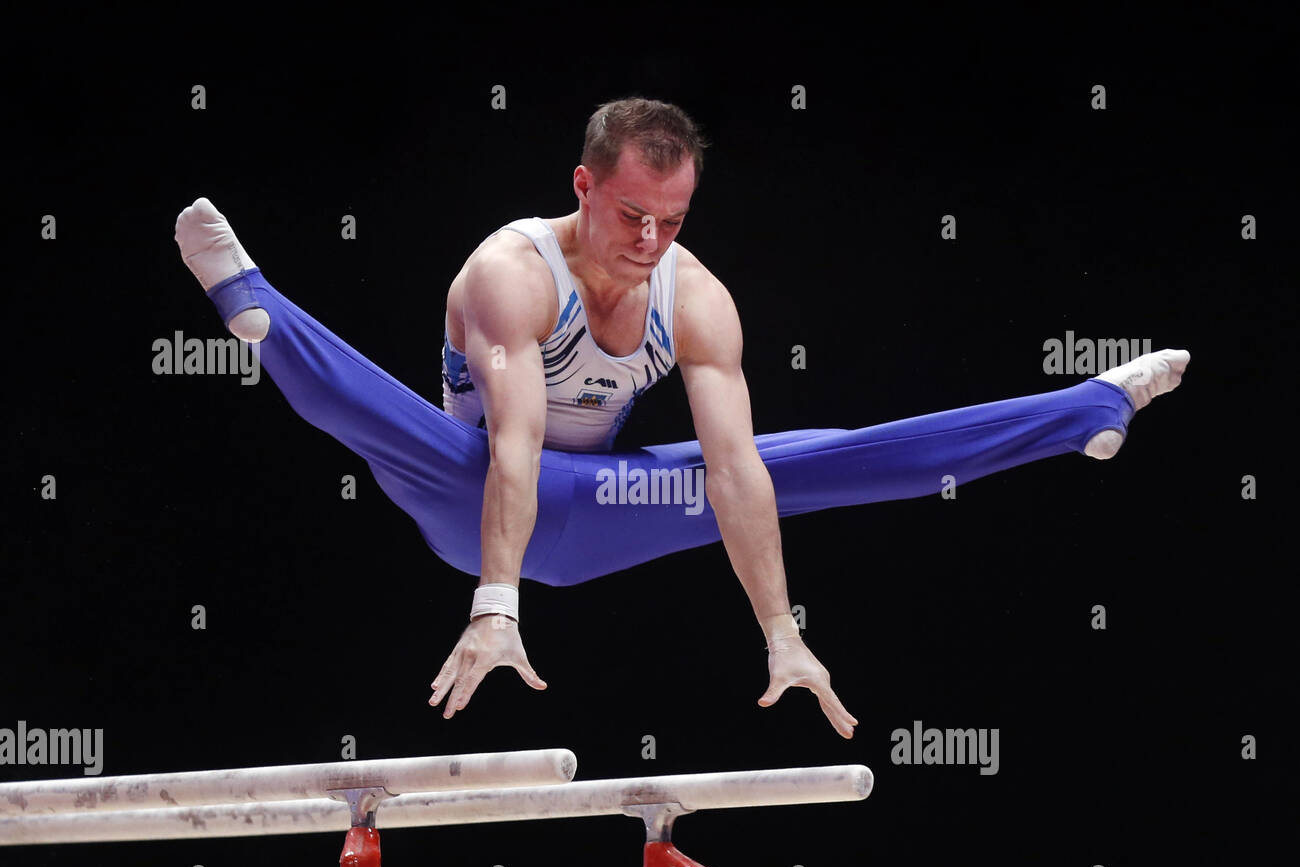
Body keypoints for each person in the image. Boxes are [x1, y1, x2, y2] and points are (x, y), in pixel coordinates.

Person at [175, 99, 1188, 740]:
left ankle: (1085, 409)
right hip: (477, 494)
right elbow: (517, 442)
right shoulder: (509, 272)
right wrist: (495, 604)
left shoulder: (695, 297)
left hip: (619, 498)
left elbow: (734, 471)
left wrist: (780, 633)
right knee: (399, 427)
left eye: (673, 220)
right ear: (583, 185)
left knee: (808, 458)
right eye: (630, 216)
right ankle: (253, 304)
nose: (651, 240)